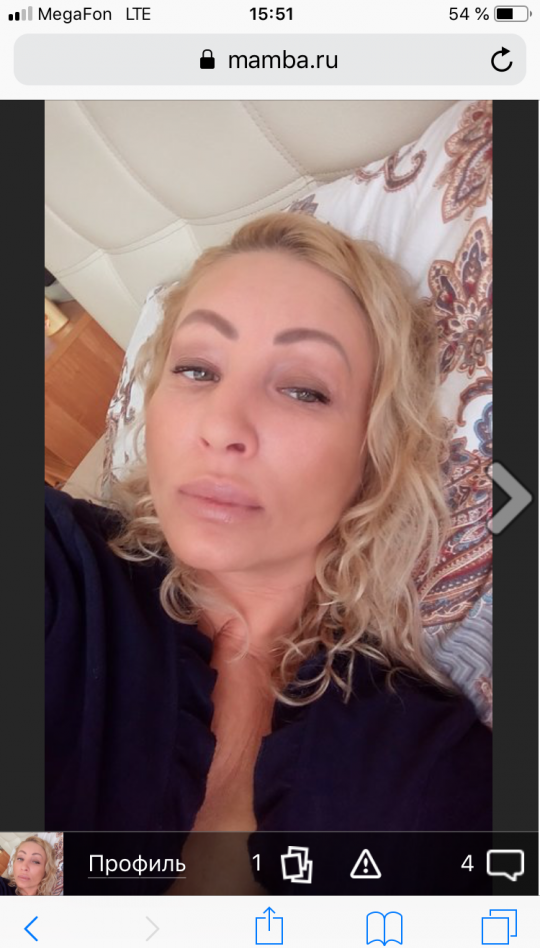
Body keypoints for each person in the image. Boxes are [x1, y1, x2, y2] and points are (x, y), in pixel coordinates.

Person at [45, 211, 492, 837]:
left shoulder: (422, 758)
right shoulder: (60, 570)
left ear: (375, 451)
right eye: (197, 369)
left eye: (304, 389)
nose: (222, 425)